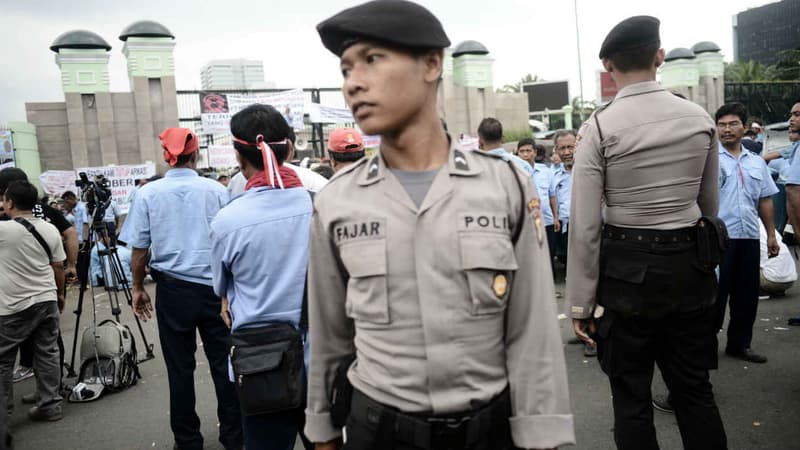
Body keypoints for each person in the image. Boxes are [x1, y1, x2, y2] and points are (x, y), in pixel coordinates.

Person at [307, 2, 575, 450]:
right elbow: (329, 332)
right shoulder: (337, 200)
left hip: (489, 430)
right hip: (378, 431)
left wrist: (544, 433)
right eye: (345, 68)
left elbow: (533, 330)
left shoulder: (505, 184)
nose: (353, 83)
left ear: (431, 63)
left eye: (372, 60)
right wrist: (322, 432)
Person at [568, 16, 727, 450]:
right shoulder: (699, 119)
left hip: (625, 277)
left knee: (631, 397)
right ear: (659, 55)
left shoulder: (598, 128)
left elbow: (585, 225)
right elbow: (708, 206)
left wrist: (581, 302)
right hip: (690, 270)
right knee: (695, 392)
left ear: (607, 65)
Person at [121, 128, 242, 450]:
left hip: (173, 292)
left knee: (179, 369)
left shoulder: (147, 193)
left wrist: (137, 287)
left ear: (166, 156)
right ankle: (234, 436)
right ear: (196, 154)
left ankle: (188, 442)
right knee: (225, 366)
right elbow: (228, 241)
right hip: (216, 292)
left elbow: (140, 250)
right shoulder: (217, 190)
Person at [209, 104, 313, 450]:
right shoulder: (323, 206)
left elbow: (220, 288)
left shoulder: (228, 220)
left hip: (261, 367)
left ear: (239, 158)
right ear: (290, 149)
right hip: (323, 359)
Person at [714, 102, 779, 364]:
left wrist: (771, 234)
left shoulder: (756, 162)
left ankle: (740, 344)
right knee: (714, 296)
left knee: (746, 295)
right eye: (721, 124)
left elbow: (765, 199)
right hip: (718, 239)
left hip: (749, 237)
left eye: (732, 124)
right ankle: (704, 348)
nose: (727, 130)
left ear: (744, 127)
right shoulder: (709, 160)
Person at [0, 168, 77, 386]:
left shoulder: (6, 222)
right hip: (45, 289)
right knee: (49, 343)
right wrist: (71, 266)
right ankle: (52, 391)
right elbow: (69, 235)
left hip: (12, 296)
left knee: (6, 354)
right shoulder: (45, 215)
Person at [517, 138, 558, 271]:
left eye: (528, 151)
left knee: (549, 255)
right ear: (517, 153)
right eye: (522, 151)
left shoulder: (546, 171)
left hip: (547, 221)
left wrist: (555, 217)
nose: (525, 154)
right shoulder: (514, 172)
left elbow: (552, 195)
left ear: (535, 152)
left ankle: (551, 289)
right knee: (530, 258)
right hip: (527, 223)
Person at [758, 222, 796, 297]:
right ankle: (776, 290)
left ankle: (760, 292)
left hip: (770, 280)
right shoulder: (767, 226)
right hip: (790, 279)